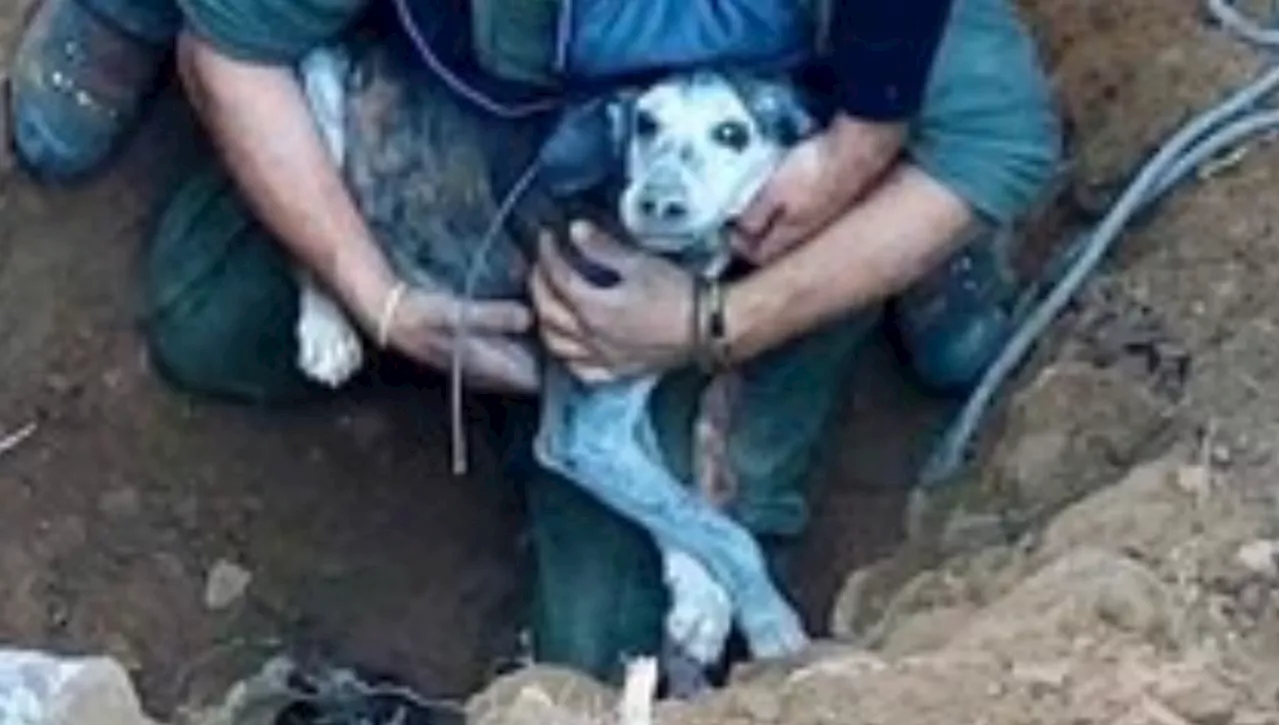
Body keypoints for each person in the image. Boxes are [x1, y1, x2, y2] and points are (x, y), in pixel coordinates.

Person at [8, 0, 1061, 684]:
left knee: (616, 666)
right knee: (209, 322)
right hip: (475, 134)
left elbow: (1006, 140)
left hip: (734, 228)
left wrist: (719, 316)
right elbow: (234, 53)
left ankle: (896, 223)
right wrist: (375, 297)